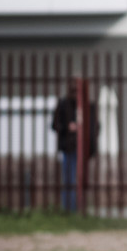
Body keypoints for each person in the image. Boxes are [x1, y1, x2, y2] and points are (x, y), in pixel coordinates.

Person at [51, 81, 80, 212]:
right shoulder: (63, 104)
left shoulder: (84, 105)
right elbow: (55, 125)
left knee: (75, 179)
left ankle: (74, 207)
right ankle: (68, 208)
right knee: (68, 178)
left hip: (80, 148)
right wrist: (67, 127)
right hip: (66, 147)